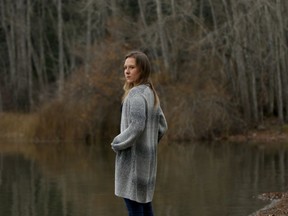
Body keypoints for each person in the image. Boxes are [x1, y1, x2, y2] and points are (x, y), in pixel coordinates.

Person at [111, 51, 168, 216]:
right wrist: (148, 144)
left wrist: (117, 143)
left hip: (133, 163)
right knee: (145, 208)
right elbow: (162, 126)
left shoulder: (135, 96)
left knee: (135, 211)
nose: (127, 71)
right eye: (125, 68)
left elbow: (136, 126)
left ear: (142, 70)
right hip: (147, 163)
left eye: (132, 67)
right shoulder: (150, 93)